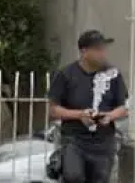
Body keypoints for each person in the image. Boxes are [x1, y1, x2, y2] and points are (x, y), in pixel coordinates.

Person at [48, 30, 129, 183]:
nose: (103, 53)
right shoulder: (66, 74)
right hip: (74, 140)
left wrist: (109, 116)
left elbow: (124, 108)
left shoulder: (113, 75)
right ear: (84, 51)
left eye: (104, 49)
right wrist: (80, 115)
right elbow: (53, 109)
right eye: (98, 49)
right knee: (73, 176)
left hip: (103, 142)